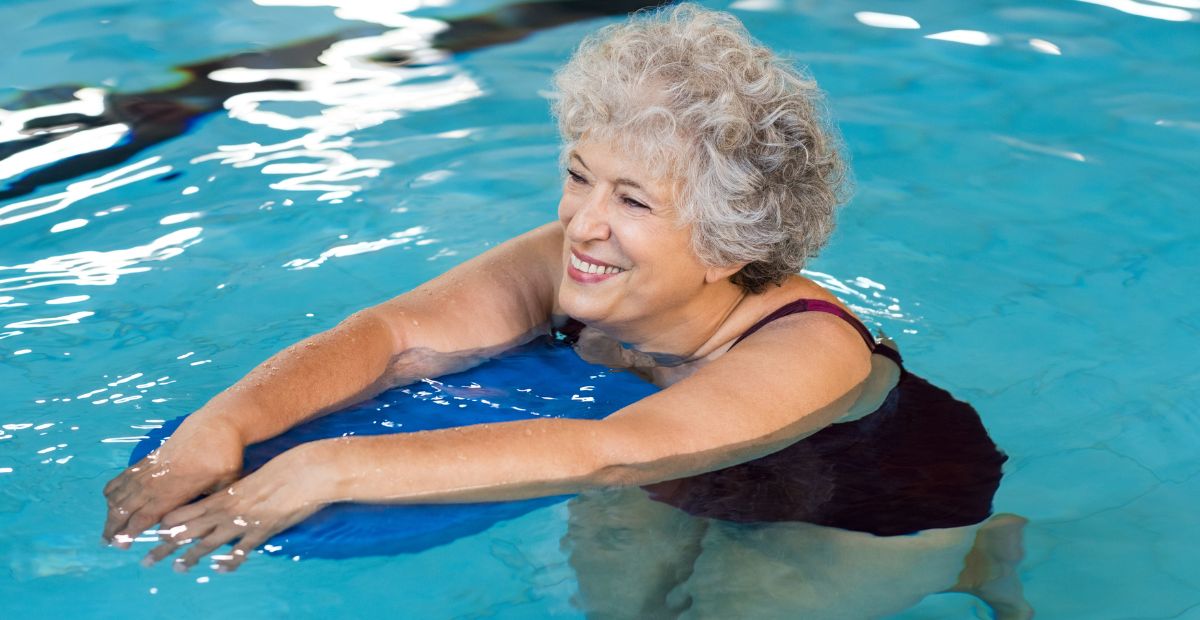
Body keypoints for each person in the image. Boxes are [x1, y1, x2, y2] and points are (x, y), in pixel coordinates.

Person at [103, 4, 1027, 616]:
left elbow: (607, 448)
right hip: (662, 457)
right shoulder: (573, 261)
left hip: (862, 498)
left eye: (633, 200)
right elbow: (388, 339)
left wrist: (332, 467)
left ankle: (977, 554)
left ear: (728, 243)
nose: (582, 223)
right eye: (580, 175)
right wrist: (225, 425)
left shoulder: (808, 352)